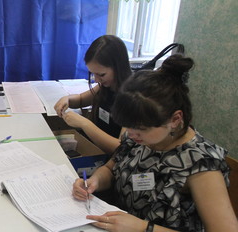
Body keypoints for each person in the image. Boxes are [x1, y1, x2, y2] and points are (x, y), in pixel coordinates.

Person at [72, 55, 238, 232]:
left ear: (175, 119)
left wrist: (144, 228)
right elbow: (111, 168)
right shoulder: (138, 137)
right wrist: (95, 181)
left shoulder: (201, 163)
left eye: (141, 129)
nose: (131, 134)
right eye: (127, 126)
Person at [54, 35, 132, 155]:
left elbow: (121, 149)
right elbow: (80, 100)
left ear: (118, 68)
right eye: (92, 73)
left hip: (111, 158)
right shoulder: (106, 87)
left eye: (101, 74)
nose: (96, 79)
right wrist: (67, 99)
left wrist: (84, 124)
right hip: (95, 148)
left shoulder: (132, 98)